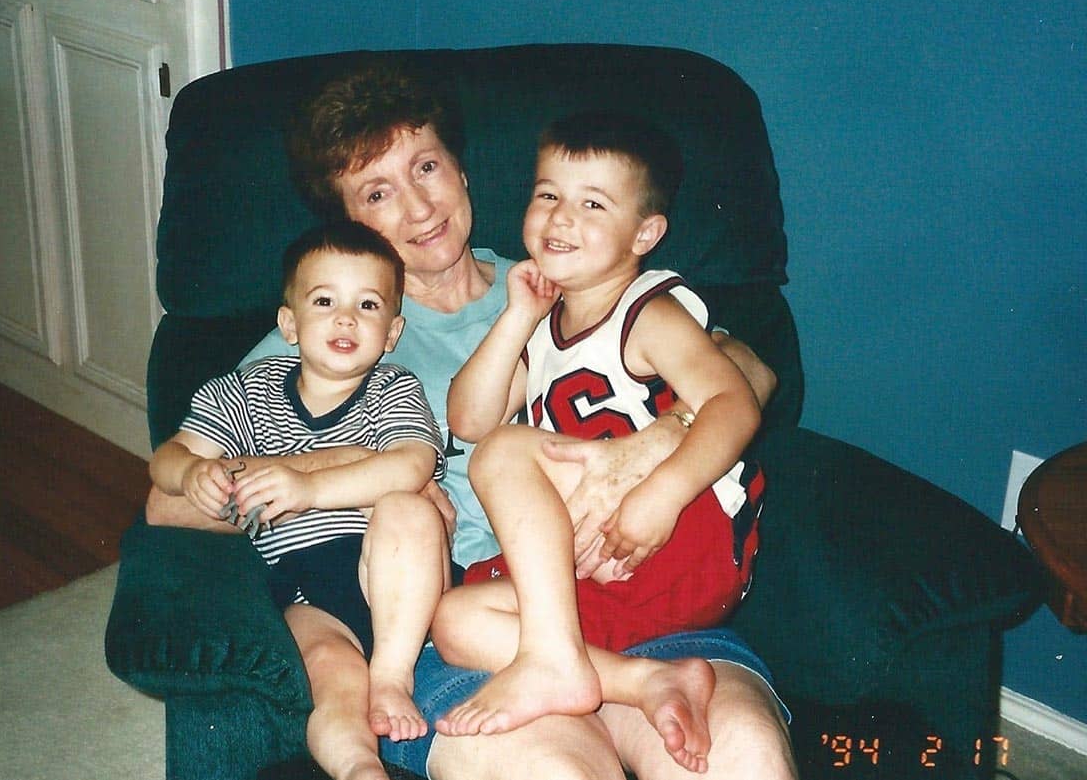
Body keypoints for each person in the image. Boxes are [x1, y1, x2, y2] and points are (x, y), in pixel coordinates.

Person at [147, 63, 797, 780]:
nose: (420, 206)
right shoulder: (331, 328)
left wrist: (654, 443)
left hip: (643, 583)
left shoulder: (562, 270)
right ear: (347, 222)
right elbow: (170, 497)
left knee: (746, 757)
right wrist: (373, 479)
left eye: (427, 166)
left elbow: (752, 370)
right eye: (377, 192)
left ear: (462, 169)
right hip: (473, 621)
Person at [433, 113, 766, 773]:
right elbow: (469, 417)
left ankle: (556, 660)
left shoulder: (650, 311)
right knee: (456, 620)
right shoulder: (544, 324)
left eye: (592, 203)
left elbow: (733, 404)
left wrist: (662, 495)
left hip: (679, 529)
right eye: (548, 194)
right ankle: (637, 680)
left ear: (645, 233)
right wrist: (517, 316)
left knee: (505, 453)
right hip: (605, 564)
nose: (561, 217)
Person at [148, 220, 452, 780]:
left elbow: (413, 464)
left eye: (367, 305)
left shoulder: (393, 387)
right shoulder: (244, 389)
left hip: (396, 568)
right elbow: (168, 457)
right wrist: (192, 471)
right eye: (324, 300)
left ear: (391, 332)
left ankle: (391, 674)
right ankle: (359, 767)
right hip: (303, 582)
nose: (345, 318)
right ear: (289, 323)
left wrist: (308, 488)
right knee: (327, 672)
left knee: (408, 507)